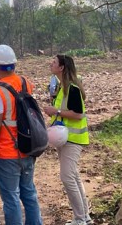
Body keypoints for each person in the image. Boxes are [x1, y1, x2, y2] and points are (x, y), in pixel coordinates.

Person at [0, 44, 43, 225]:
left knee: (11, 200)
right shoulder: (25, 82)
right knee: (29, 194)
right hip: (28, 147)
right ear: (14, 65)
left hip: (6, 154)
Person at [43, 55, 91, 225]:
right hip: (65, 139)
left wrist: (56, 112)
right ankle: (84, 216)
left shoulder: (72, 89)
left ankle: (80, 219)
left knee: (67, 177)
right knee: (73, 176)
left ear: (62, 67)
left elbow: (78, 115)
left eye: (54, 62)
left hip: (73, 139)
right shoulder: (62, 88)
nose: (51, 64)